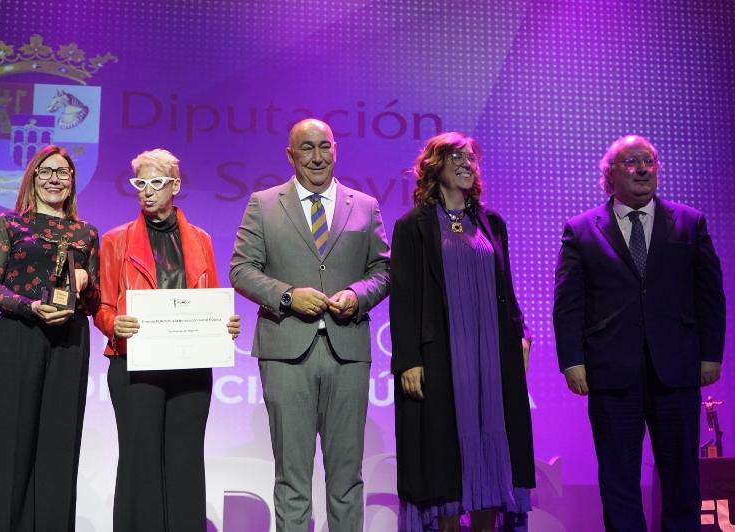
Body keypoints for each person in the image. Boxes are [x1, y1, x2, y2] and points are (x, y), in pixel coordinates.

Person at [553, 135, 726, 531]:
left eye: (649, 161)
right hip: (612, 372)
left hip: (677, 369)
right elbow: (568, 302)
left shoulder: (690, 221)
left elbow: (710, 295)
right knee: (619, 481)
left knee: (682, 479)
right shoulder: (581, 230)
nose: (643, 169)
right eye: (631, 161)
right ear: (609, 175)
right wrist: (572, 362)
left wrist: (711, 354)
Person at [230, 118, 390, 531]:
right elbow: (242, 270)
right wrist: (287, 296)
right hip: (286, 352)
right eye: (307, 148)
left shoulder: (365, 205)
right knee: (292, 477)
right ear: (290, 155)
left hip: (346, 352)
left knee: (347, 476)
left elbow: (384, 270)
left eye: (324, 146)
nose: (317, 157)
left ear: (336, 149)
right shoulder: (264, 204)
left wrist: (357, 295)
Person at [390, 132, 535, 532]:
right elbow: (403, 298)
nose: (467, 164)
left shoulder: (492, 223)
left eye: (471, 158)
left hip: (492, 352)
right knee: (445, 452)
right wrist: (408, 359)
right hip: (443, 354)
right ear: (434, 166)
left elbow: (506, 286)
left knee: (494, 440)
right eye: (456, 157)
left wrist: (522, 333)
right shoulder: (413, 226)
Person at [93, 148, 240, 531]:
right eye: (140, 183)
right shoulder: (115, 240)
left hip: (190, 366)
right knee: (139, 461)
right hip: (135, 364)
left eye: (156, 182)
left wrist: (224, 325)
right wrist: (113, 323)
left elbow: (212, 299)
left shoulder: (201, 240)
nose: (147, 191)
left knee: (185, 461)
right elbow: (102, 305)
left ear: (174, 185)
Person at [0, 144, 100, 531]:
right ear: (32, 177)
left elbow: (93, 303)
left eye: (62, 172)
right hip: (20, 335)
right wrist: (29, 306)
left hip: (69, 340)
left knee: (60, 447)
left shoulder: (86, 233)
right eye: (45, 171)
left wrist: (86, 280)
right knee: (12, 447)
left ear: (72, 180)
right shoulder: (10, 223)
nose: (54, 179)